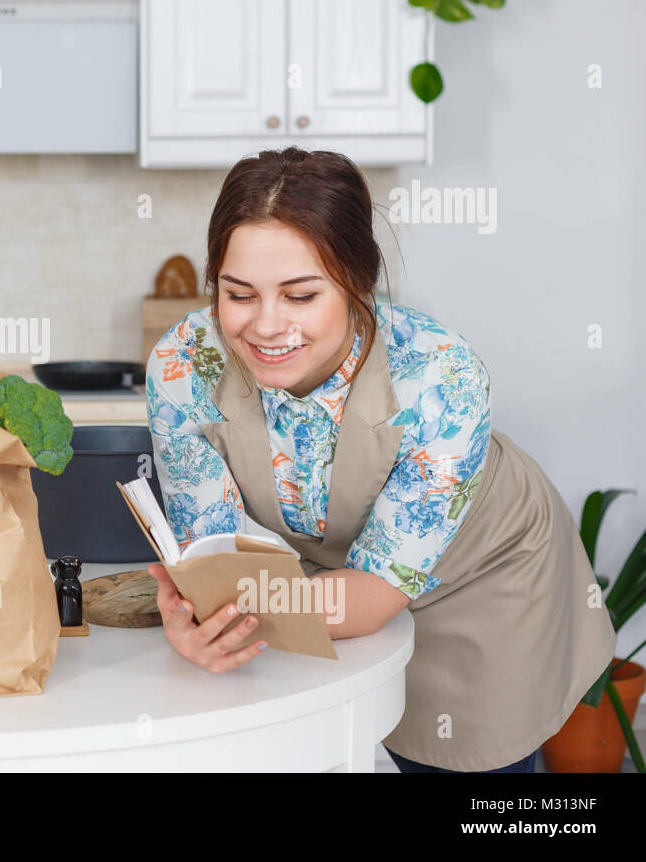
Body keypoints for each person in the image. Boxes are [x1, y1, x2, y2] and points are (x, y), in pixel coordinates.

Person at [145, 147, 616, 772]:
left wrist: (231, 605)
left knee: (466, 766)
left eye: (301, 295)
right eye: (239, 294)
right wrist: (203, 616)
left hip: (478, 578)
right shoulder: (183, 367)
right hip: (311, 589)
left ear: (357, 284)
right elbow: (220, 557)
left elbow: (371, 593)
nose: (265, 325)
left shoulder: (441, 376)